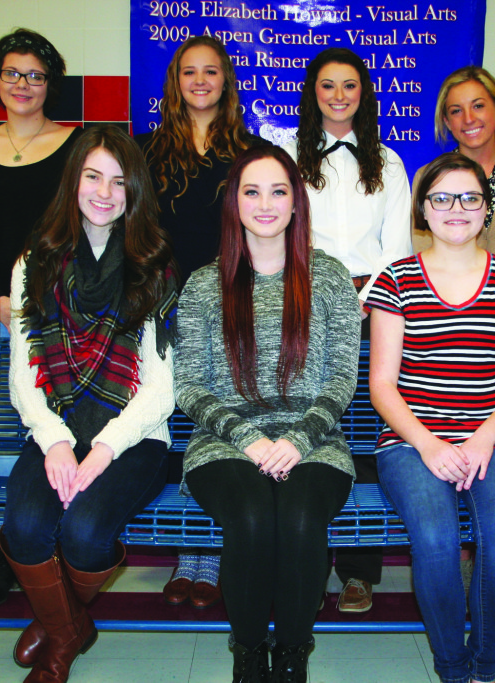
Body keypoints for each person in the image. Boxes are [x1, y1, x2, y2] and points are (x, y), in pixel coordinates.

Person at [0, 125, 178, 683]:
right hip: (57, 429)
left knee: (85, 534)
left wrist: (101, 450)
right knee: (25, 527)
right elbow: (24, 369)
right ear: (73, 181)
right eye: (92, 176)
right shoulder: (36, 261)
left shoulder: (155, 263)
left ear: (135, 192)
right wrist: (54, 440)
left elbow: (161, 387)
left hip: (133, 438)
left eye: (119, 181)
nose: (104, 191)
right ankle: (69, 624)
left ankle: (60, 635)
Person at [175, 145, 361, 682]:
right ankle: (250, 652)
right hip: (224, 441)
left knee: (300, 518)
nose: (264, 203)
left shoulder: (328, 278)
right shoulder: (204, 284)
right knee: (253, 515)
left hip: (316, 439)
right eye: (251, 191)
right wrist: (249, 438)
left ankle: (294, 654)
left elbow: (340, 378)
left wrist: (300, 440)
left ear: (296, 203)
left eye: (278, 191)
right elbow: (189, 383)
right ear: (234, 202)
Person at [366, 152, 495, 683]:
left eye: (470, 197)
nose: (456, 208)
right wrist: (432, 446)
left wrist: (484, 439)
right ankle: (452, 668)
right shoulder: (395, 279)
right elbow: (381, 386)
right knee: (436, 543)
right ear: (423, 208)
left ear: (486, 208)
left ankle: (486, 665)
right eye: (442, 198)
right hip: (411, 440)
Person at [0, 28, 83, 606]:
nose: (22, 84)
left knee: (45, 430)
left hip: (52, 310)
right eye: (11, 73)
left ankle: (41, 550)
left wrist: (30, 296)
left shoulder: (76, 145)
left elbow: (82, 227)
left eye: (34, 74)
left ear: (51, 84)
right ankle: (6, 554)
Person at [135, 34, 265, 608]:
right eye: (190, 72)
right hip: (162, 305)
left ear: (226, 81)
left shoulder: (249, 151)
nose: (200, 81)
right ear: (175, 81)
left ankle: (208, 552)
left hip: (230, 303)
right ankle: (187, 547)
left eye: (211, 72)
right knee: (180, 424)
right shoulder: (145, 150)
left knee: (221, 422)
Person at [282, 46, 412, 613]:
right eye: (328, 86)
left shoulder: (387, 161)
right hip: (301, 305)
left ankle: (359, 570)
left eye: (349, 86)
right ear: (314, 92)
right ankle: (305, 559)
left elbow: (399, 247)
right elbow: (276, 227)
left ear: (364, 94)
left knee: (363, 433)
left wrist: (365, 299)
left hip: (370, 307)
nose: (338, 96)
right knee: (308, 428)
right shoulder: (287, 154)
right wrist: (316, 296)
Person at [414, 66, 495, 285]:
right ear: (447, 122)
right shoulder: (427, 177)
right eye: (456, 111)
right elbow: (422, 251)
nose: (468, 118)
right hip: (444, 309)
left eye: (478, 106)